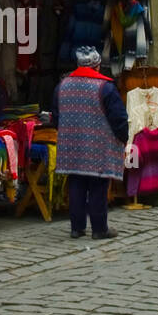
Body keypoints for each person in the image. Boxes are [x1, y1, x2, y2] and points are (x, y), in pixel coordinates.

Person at [52, 46, 129, 239]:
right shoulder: (105, 87)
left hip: (71, 146)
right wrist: (123, 137)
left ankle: (76, 228)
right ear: (96, 66)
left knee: (76, 184)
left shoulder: (62, 86)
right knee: (98, 186)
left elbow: (56, 116)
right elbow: (118, 119)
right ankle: (99, 228)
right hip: (98, 146)